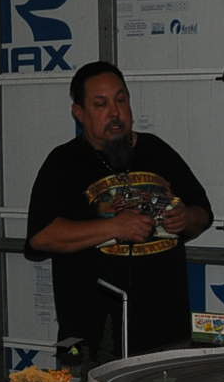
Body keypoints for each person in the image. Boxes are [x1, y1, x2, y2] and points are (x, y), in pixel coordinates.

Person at [26, 62, 214, 364]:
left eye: (121, 100)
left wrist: (185, 217)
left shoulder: (157, 150)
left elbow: (202, 214)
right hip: (92, 335)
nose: (115, 113)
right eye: (101, 104)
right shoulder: (63, 162)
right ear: (79, 113)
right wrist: (115, 227)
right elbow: (41, 237)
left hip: (166, 329)